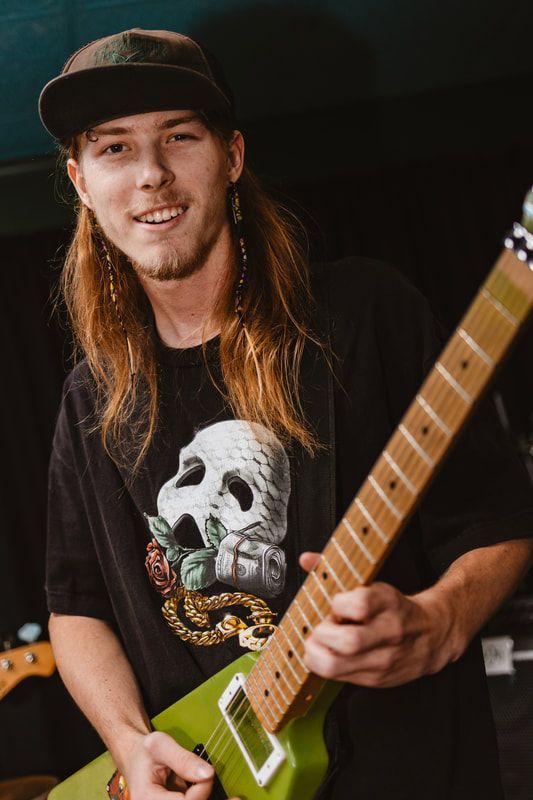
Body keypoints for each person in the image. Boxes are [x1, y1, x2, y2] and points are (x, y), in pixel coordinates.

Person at [39, 28, 533, 800]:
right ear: (79, 180)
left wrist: (440, 621)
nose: (152, 176)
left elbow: (494, 518)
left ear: (231, 156)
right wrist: (132, 744)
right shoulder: (90, 395)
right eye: (113, 149)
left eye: (179, 136)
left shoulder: (364, 314)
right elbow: (75, 609)